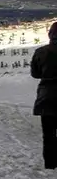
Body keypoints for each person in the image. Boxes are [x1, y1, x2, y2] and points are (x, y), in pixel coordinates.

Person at [31, 22, 57, 169]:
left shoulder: (41, 52)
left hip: (46, 97)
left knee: (48, 134)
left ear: (50, 35)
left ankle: (50, 164)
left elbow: (35, 74)